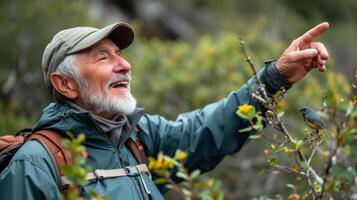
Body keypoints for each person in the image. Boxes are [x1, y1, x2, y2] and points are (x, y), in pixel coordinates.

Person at [0, 21, 329, 199]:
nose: (125, 65)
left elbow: (206, 132)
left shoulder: (137, 137)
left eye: (119, 54)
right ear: (65, 84)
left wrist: (275, 77)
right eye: (103, 57)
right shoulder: (35, 165)